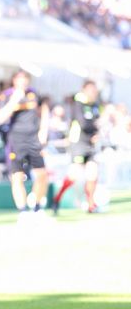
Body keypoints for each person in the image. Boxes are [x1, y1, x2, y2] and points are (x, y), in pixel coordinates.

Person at [0, 70, 49, 216]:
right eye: (19, 79)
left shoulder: (34, 93)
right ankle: (23, 211)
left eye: (25, 78)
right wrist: (14, 100)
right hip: (16, 140)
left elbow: (44, 109)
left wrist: (43, 130)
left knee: (42, 174)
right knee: (17, 176)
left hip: (33, 139)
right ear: (14, 80)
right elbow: (0, 118)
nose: (23, 82)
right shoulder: (7, 95)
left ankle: (37, 206)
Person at [52, 80, 101, 214]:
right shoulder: (77, 103)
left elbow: (97, 121)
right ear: (84, 90)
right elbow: (83, 123)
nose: (93, 93)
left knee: (93, 172)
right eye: (90, 90)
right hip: (78, 143)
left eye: (94, 90)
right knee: (74, 175)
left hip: (90, 144)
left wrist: (96, 133)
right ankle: (57, 198)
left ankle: (91, 204)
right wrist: (94, 128)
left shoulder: (94, 105)